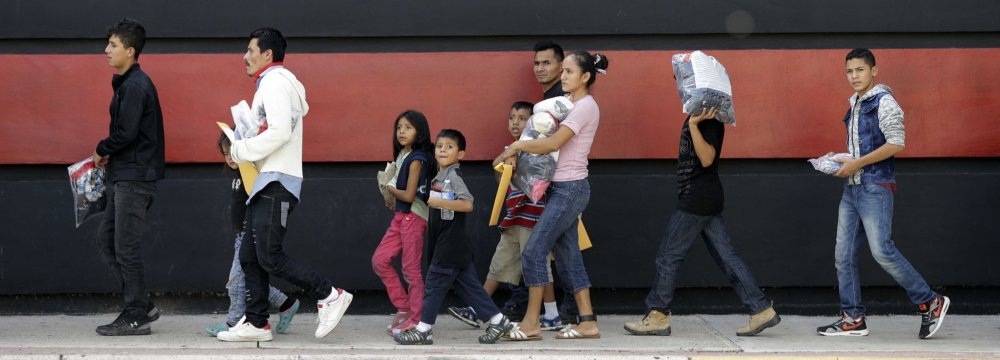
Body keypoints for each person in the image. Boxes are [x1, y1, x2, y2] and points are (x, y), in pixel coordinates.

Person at [216, 27, 351, 342]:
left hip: (277, 181)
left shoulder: (275, 83)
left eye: (250, 50)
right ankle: (257, 323)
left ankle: (330, 295)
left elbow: (278, 133)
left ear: (267, 54)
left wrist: (240, 148)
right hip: (268, 180)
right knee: (251, 257)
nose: (245, 57)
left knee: (269, 255)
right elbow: (274, 130)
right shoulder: (274, 83)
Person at [816, 48, 949, 338]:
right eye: (849, 71)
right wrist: (841, 159)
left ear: (874, 71)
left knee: (882, 250)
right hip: (852, 189)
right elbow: (861, 150)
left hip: (876, 187)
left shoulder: (884, 102)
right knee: (843, 256)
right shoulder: (854, 103)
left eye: (860, 70)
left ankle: (930, 301)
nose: (854, 76)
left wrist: (857, 163)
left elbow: (896, 144)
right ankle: (852, 318)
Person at [622, 105, 781, 337]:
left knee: (668, 255)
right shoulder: (701, 114)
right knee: (727, 257)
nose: (683, 87)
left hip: (698, 197)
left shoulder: (709, 118)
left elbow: (707, 159)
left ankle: (657, 315)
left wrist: (694, 125)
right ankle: (760, 309)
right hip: (704, 197)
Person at [498, 50, 608, 340]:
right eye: (565, 71)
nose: (564, 76)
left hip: (570, 189)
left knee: (534, 251)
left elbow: (553, 143)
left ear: (585, 76)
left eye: (569, 72)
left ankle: (532, 322)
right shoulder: (567, 103)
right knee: (570, 257)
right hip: (559, 188)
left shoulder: (586, 106)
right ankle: (588, 322)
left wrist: (517, 147)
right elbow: (541, 135)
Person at [447, 102, 564, 331]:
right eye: (512, 118)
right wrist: (504, 159)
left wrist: (515, 159)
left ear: (533, 122)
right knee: (498, 265)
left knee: (539, 267)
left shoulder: (540, 148)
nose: (515, 122)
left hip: (534, 218)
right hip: (513, 217)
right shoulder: (511, 148)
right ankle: (477, 309)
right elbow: (500, 175)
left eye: (522, 118)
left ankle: (552, 315)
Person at [393, 129, 514, 345]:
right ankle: (499, 320)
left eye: (449, 147)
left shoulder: (454, 176)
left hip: (451, 244)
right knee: (470, 286)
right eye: (439, 146)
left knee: (433, 284)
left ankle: (424, 330)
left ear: (461, 155)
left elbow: (468, 204)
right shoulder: (440, 176)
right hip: (449, 243)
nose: (442, 150)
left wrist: (441, 203)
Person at [92, 17, 165, 336]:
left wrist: (101, 148)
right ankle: (142, 304)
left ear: (131, 51)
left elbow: (126, 133)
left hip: (135, 178)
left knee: (125, 247)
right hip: (125, 175)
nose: (106, 50)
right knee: (108, 241)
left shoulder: (135, 86)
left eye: (113, 45)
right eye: (107, 44)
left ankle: (136, 314)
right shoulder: (126, 83)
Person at [204, 132, 299, 337]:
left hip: (249, 234)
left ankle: (233, 322)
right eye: (225, 154)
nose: (229, 157)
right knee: (247, 278)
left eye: (232, 151)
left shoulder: (250, 173)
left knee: (236, 280)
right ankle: (286, 303)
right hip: (241, 235)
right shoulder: (238, 176)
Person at [371, 110, 434, 335]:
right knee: (380, 260)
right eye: (399, 127)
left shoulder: (417, 158)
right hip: (400, 216)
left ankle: (417, 319)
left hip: (414, 217)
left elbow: (408, 195)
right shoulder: (403, 155)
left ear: (420, 131)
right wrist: (391, 195)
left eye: (408, 127)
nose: (402, 132)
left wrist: (388, 188)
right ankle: (404, 307)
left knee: (411, 270)